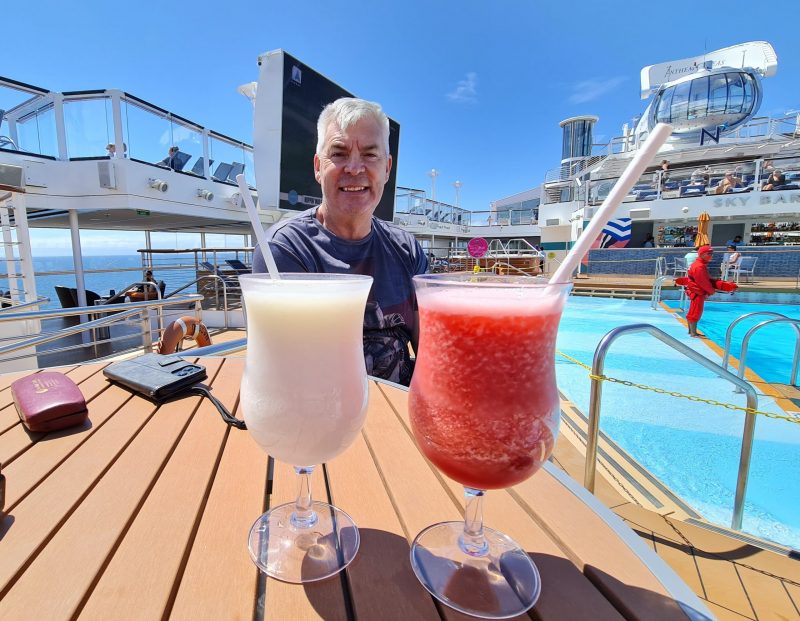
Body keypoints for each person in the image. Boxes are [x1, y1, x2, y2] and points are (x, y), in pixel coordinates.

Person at [253, 98, 428, 385]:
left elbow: (429, 352)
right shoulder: (285, 250)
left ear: (387, 168)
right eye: (339, 153)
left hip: (401, 410)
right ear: (318, 166)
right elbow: (292, 376)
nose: (355, 168)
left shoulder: (407, 249)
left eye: (371, 155)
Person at [684, 245, 719, 337]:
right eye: (709, 254)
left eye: (712, 254)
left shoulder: (699, 264)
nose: (711, 256)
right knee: (696, 312)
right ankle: (693, 333)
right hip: (697, 292)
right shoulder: (699, 266)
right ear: (702, 254)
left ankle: (690, 331)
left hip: (695, 291)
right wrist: (711, 291)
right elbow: (703, 282)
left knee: (693, 311)